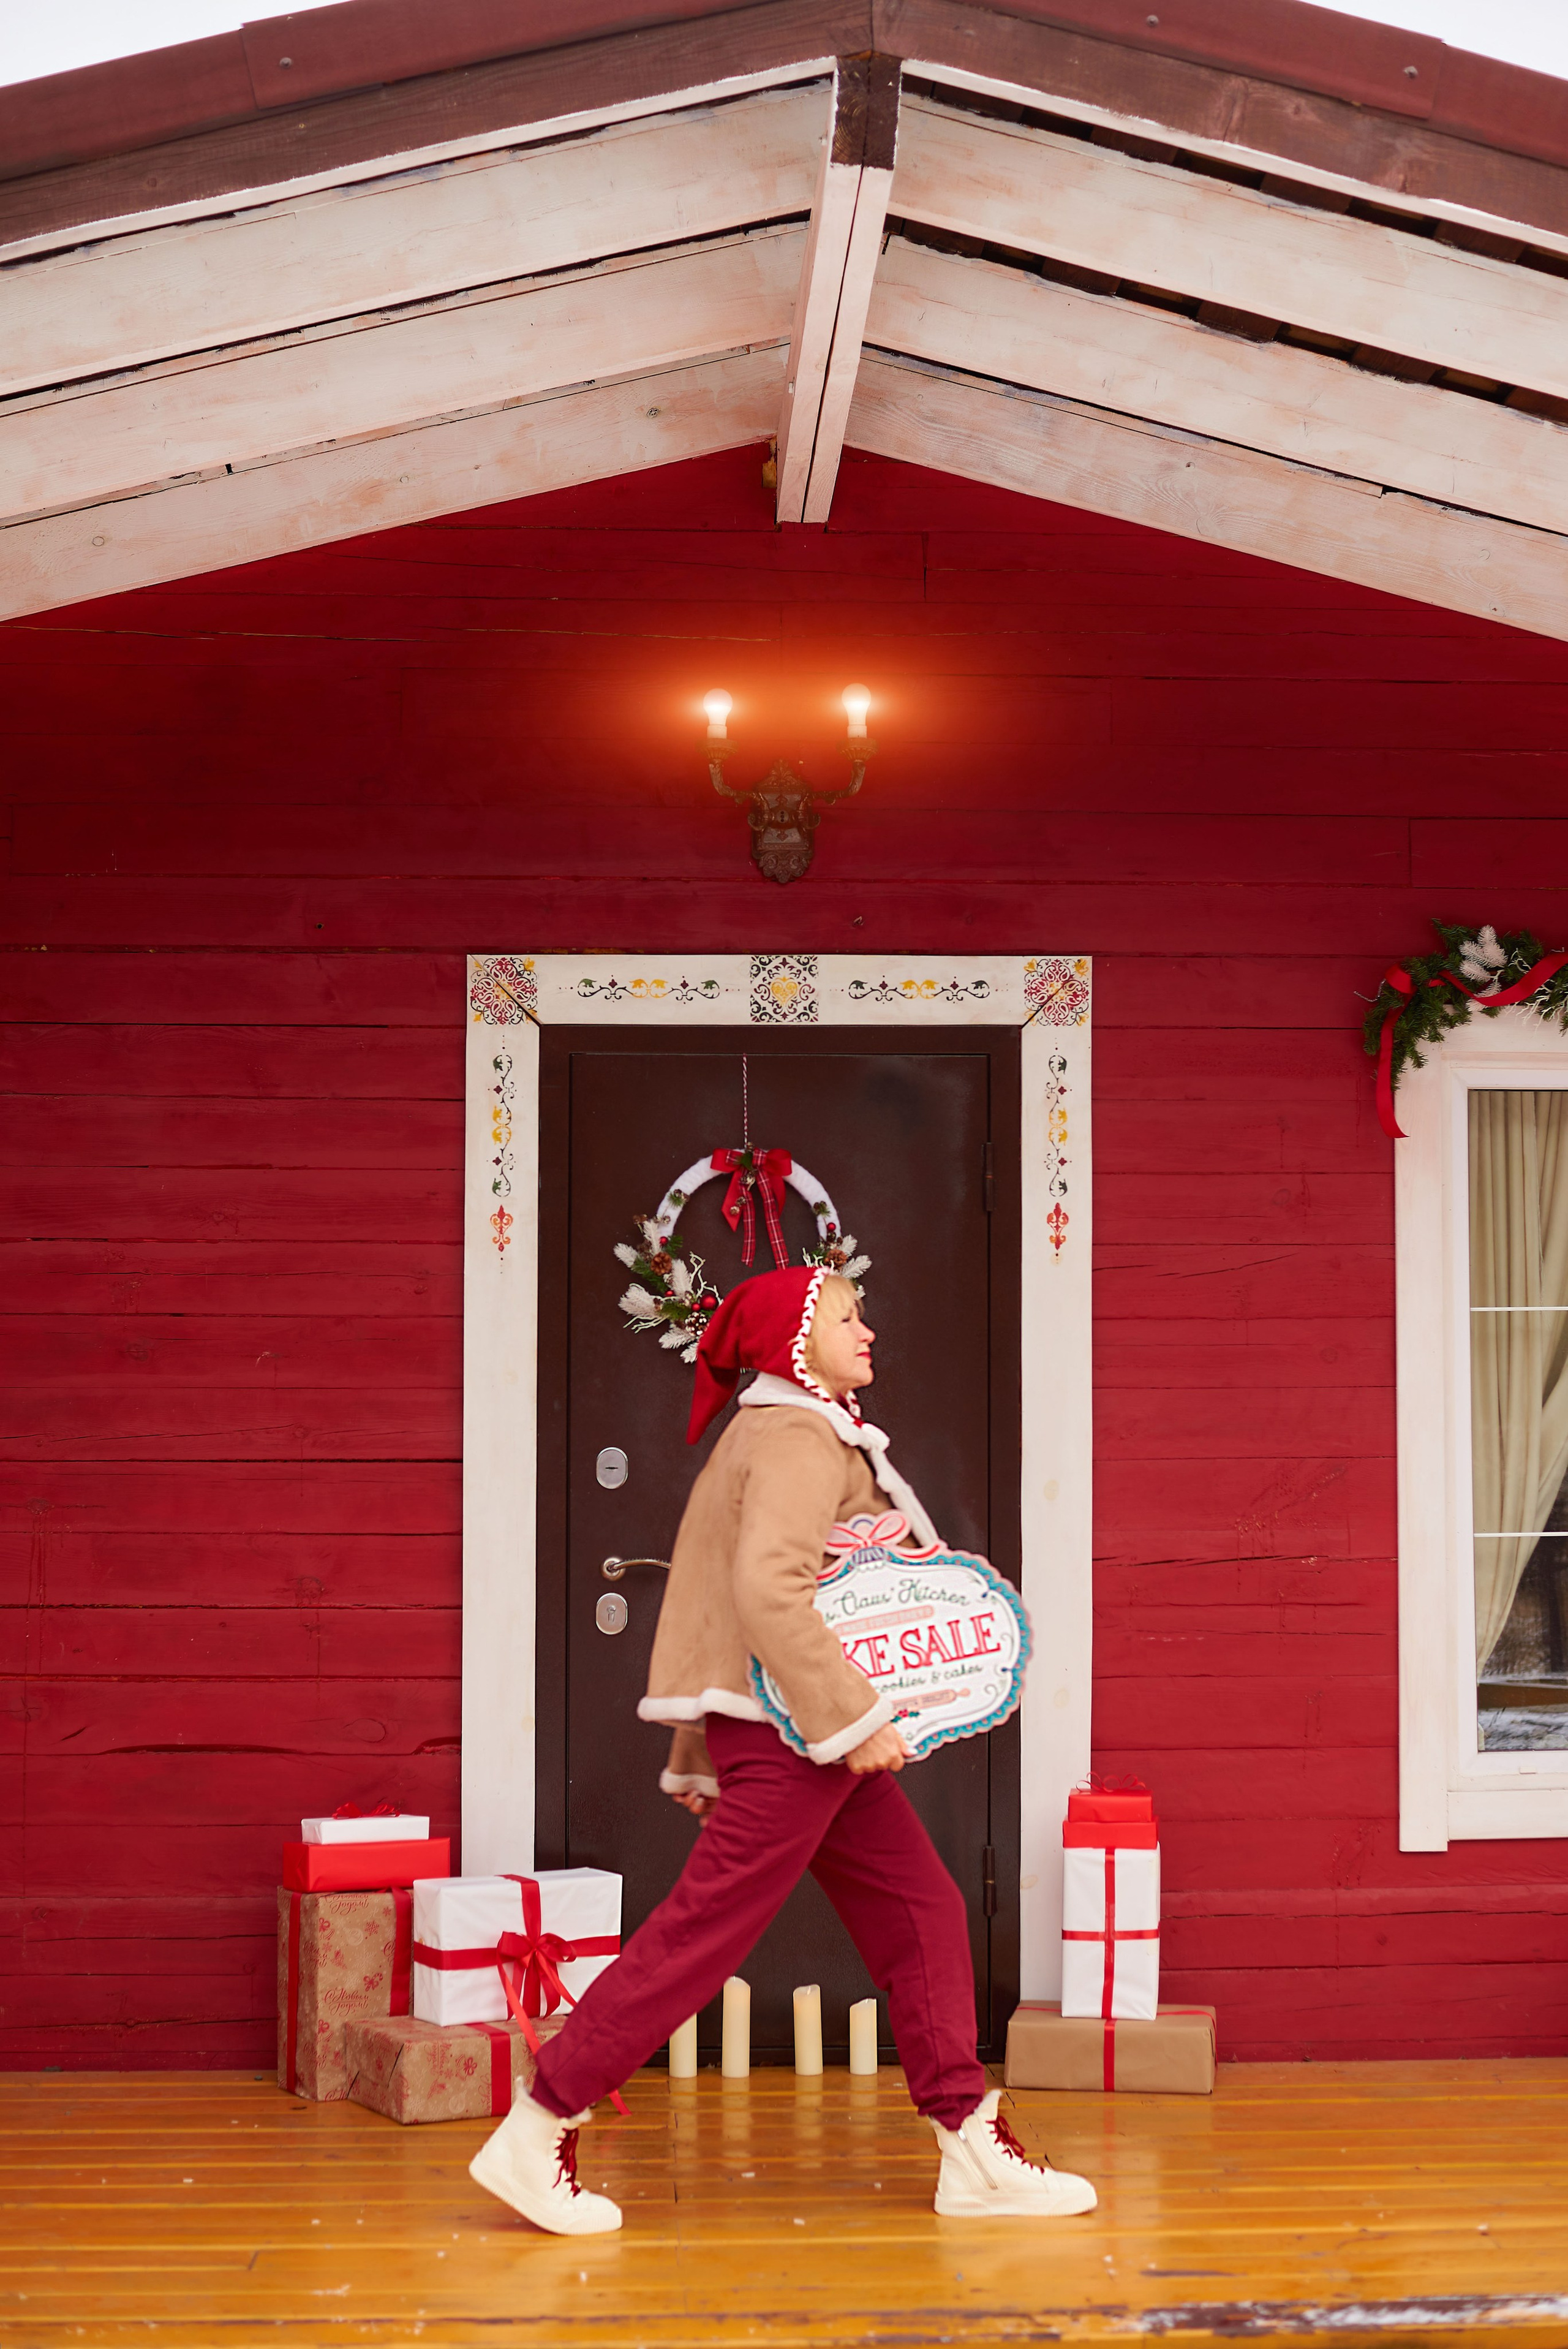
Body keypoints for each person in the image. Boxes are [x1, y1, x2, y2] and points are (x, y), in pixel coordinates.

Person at [469, 1263, 1096, 2235]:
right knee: (703, 1934)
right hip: (798, 1734)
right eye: (846, 1318)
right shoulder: (799, 1435)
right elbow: (767, 1591)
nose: (867, 1331)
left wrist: (708, 1740)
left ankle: (971, 2144)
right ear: (794, 1343)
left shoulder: (782, 1429)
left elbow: (719, 1599)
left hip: (800, 1733)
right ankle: (540, 2120)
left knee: (921, 1908)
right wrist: (854, 1714)